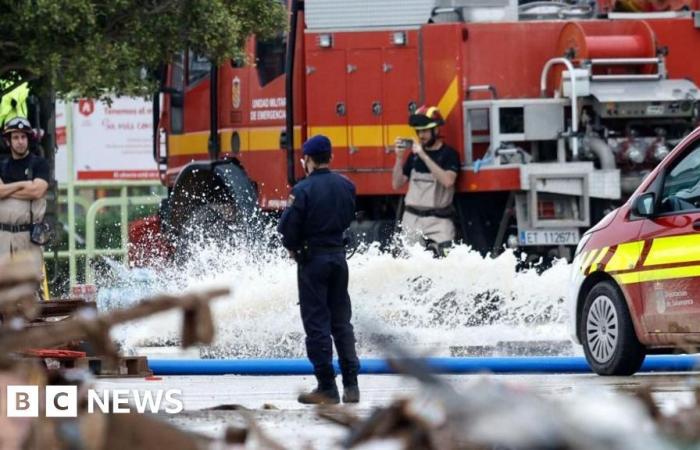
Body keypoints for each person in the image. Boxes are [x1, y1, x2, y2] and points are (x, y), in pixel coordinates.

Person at [277, 135, 360, 405]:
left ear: (308, 160)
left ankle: (326, 386)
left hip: (312, 262)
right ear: (331, 158)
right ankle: (352, 385)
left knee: (317, 325)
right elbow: (349, 217)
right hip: (339, 257)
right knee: (341, 322)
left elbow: (288, 230)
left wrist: (293, 247)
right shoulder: (346, 185)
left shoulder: (302, 191)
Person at [391, 105, 460, 257]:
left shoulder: (449, 155)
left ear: (436, 130)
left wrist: (424, 156)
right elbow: (396, 184)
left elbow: (448, 181)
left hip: (439, 221)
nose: (421, 135)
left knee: (446, 261)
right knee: (411, 268)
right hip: (412, 219)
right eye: (418, 131)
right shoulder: (413, 156)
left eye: (425, 131)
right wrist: (399, 157)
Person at [0, 116, 49, 283]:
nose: (20, 141)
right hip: (3, 237)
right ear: (8, 141)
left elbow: (37, 191)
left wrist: (7, 189)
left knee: (30, 288)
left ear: (28, 139)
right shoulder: (2, 165)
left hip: (28, 236)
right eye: (15, 137)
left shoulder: (39, 164)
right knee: (4, 291)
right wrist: (24, 184)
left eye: (23, 137)